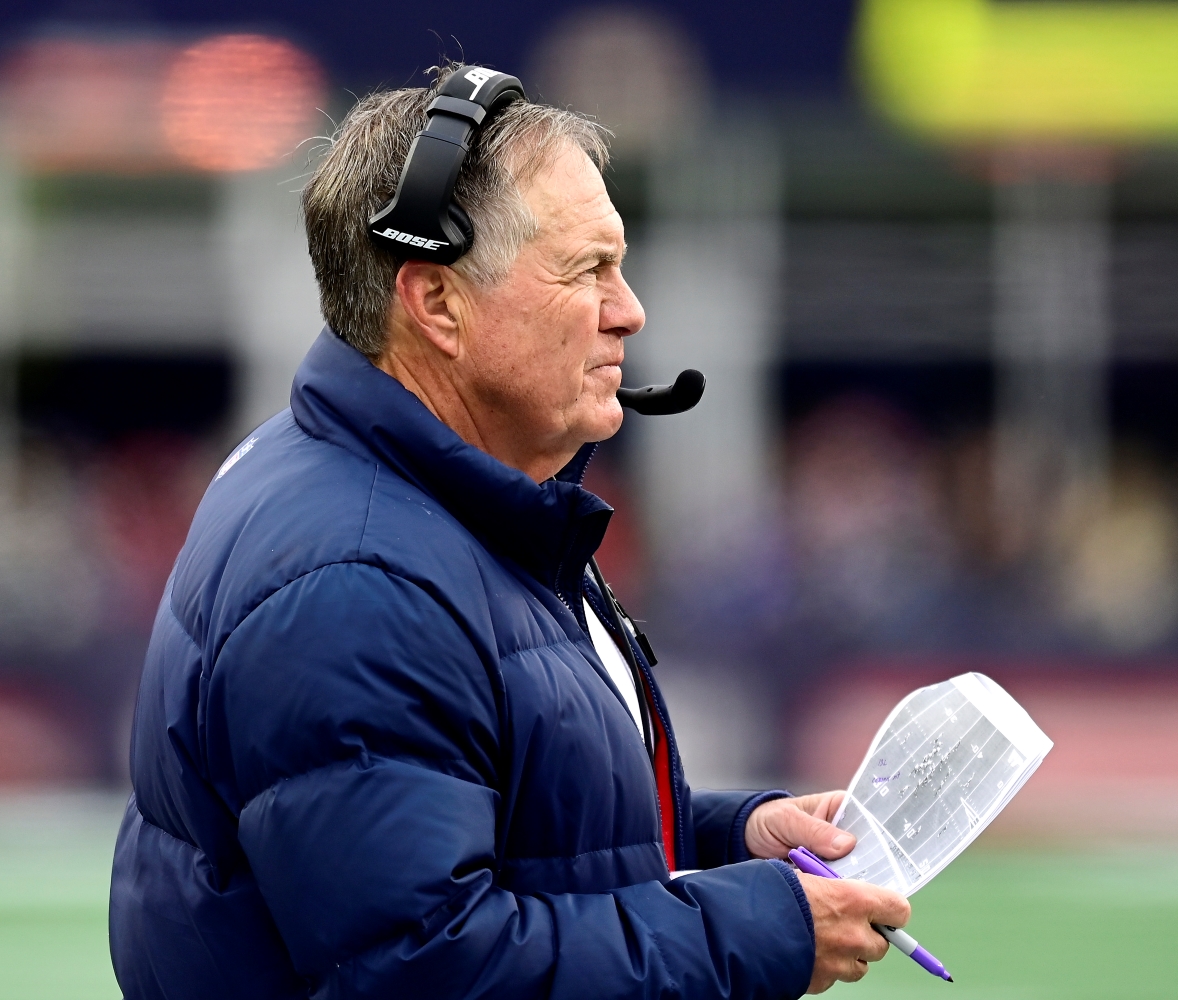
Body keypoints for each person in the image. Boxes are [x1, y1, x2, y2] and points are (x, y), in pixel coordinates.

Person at [109, 63, 909, 1000]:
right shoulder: (361, 575)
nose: (629, 311)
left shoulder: (423, 500)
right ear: (437, 303)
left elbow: (488, 815)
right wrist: (758, 929)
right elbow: (428, 964)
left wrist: (725, 838)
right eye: (588, 271)